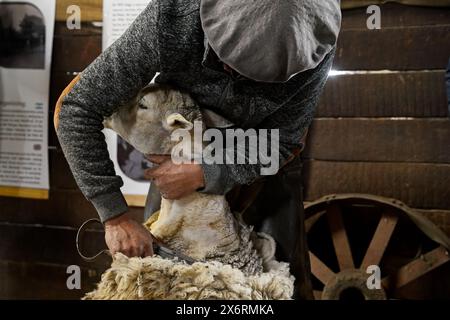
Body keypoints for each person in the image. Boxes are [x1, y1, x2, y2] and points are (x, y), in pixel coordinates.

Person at [54, 0, 341, 299]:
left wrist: (207, 171)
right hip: (178, 161)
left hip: (265, 169)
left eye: (255, 75)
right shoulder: (174, 16)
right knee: (162, 283)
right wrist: (115, 217)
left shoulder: (313, 43)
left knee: (277, 286)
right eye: (226, 60)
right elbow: (77, 107)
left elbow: (284, 142)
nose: (234, 74)